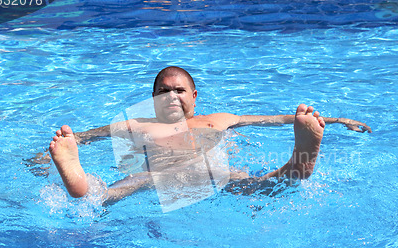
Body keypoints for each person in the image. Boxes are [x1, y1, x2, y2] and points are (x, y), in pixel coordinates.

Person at [49, 66, 371, 204]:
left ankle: (300, 160)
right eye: (163, 91)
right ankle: (79, 181)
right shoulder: (139, 124)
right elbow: (86, 136)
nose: (172, 96)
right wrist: (52, 152)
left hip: (216, 173)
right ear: (152, 98)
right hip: (159, 176)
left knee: (263, 183)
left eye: (179, 90)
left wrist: (336, 118)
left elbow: (273, 119)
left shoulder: (219, 119)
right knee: (110, 194)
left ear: (194, 96)